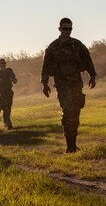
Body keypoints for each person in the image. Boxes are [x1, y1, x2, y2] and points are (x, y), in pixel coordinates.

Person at [41, 18, 97, 153]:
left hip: (76, 82)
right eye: (65, 28)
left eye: (70, 29)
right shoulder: (53, 47)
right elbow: (45, 65)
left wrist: (92, 75)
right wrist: (44, 84)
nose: (68, 31)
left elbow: (87, 59)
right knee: (68, 110)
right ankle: (70, 146)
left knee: (76, 111)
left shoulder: (77, 44)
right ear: (59, 29)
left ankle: (73, 143)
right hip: (61, 83)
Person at [0, 58, 17, 129]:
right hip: (2, 94)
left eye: (4, 63)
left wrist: (13, 79)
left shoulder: (9, 71)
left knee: (8, 108)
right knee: (5, 108)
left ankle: (6, 122)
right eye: (2, 63)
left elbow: (15, 81)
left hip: (9, 92)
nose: (3, 64)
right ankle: (8, 124)